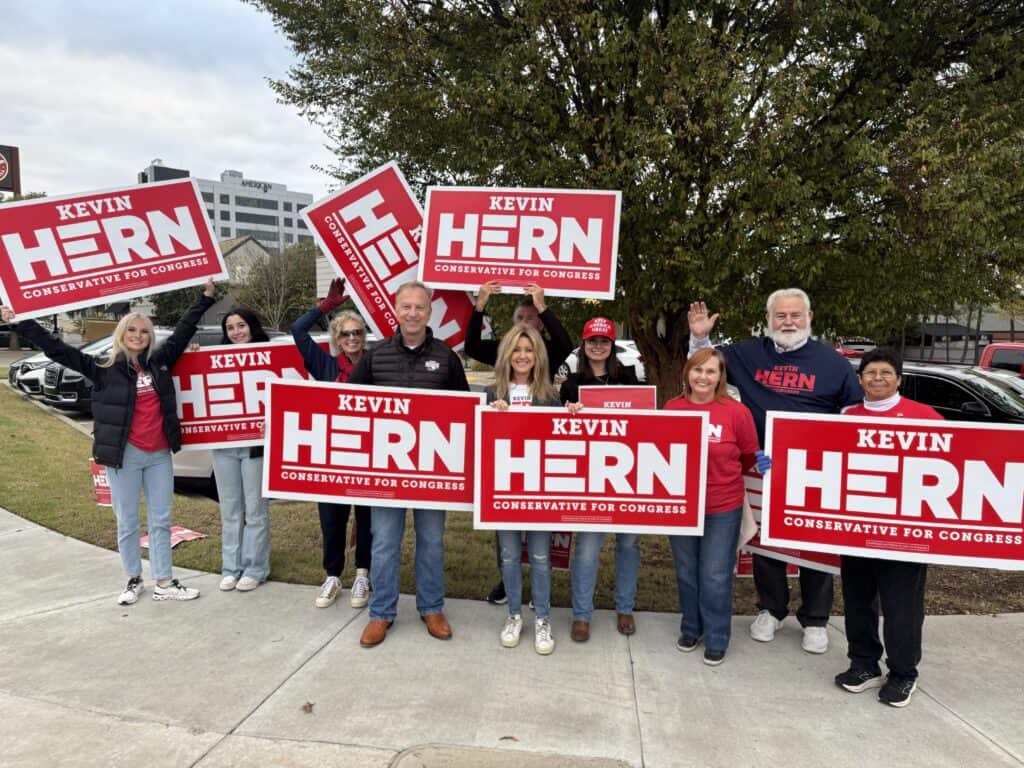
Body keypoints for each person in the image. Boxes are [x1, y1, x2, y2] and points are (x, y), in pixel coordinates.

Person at [1, 280, 217, 604]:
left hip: (159, 455)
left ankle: (164, 582)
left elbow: (184, 330)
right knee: (127, 521)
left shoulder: (159, 362)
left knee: (161, 520)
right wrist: (19, 322)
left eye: (144, 331)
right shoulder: (102, 369)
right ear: (121, 334)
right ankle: (133, 579)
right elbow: (56, 348)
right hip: (123, 456)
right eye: (132, 330)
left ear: (150, 337)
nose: (138, 336)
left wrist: (205, 297)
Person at [688, 288, 862, 653]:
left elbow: (853, 412)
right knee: (766, 543)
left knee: (814, 542)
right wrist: (700, 337)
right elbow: (704, 367)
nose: (788, 322)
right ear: (769, 320)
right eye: (780, 315)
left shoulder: (833, 363)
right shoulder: (748, 353)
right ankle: (772, 608)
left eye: (795, 315)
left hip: (815, 468)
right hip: (763, 465)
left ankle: (815, 618)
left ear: (809, 318)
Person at [348, 281, 470, 648]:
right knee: (384, 542)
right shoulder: (376, 356)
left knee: (431, 541)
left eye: (419, 307)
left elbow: (465, 412)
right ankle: (381, 612)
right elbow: (345, 403)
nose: (413, 313)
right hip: (387, 471)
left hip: (433, 471)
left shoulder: (447, 357)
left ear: (429, 312)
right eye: (406, 307)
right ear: (396, 310)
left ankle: (431, 608)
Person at [834, 348, 941, 708]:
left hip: (904, 531)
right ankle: (864, 663)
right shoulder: (847, 415)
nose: (877, 378)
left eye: (885, 373)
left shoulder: (924, 416)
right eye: (870, 373)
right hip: (857, 527)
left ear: (899, 379)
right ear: (860, 379)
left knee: (902, 607)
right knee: (858, 601)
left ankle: (903, 672)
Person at [466, 281, 574, 606]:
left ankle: (540, 599)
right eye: (520, 318)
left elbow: (566, 343)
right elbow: (472, 345)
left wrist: (542, 304)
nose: (525, 324)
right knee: (507, 544)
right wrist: (480, 304)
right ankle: (509, 585)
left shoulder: (549, 360)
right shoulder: (499, 374)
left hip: (539, 465)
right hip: (505, 469)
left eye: (532, 318)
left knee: (540, 546)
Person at [664, 348, 770, 665]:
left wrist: (766, 462)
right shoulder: (672, 408)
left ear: (720, 377)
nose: (703, 377)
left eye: (711, 371)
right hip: (681, 506)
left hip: (723, 505)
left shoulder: (736, 412)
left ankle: (717, 636)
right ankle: (691, 628)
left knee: (715, 574)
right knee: (686, 572)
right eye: (698, 370)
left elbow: (750, 456)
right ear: (687, 373)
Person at [291, 278, 373, 609]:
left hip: (369, 453)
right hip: (333, 453)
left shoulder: (376, 363)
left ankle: (363, 574)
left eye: (357, 333)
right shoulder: (324, 364)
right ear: (336, 339)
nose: (352, 338)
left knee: (367, 518)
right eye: (345, 334)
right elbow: (298, 330)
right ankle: (333, 575)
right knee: (331, 517)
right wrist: (325, 307)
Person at [561, 317, 642, 642]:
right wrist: (569, 413)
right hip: (590, 477)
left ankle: (625, 608)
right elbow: (561, 430)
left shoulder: (630, 377)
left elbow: (644, 421)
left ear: (612, 345)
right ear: (584, 345)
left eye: (604, 341)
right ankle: (582, 615)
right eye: (592, 341)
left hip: (628, 476)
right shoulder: (572, 383)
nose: (598, 346)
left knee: (629, 544)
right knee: (587, 548)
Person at [485, 324, 563, 654]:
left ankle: (542, 619)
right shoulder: (491, 393)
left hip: (539, 488)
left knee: (541, 557)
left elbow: (561, 439)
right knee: (509, 555)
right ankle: (514, 615)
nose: (522, 355)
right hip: (504, 487)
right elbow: (481, 439)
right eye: (516, 349)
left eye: (529, 350)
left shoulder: (550, 396)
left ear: (538, 356)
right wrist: (492, 415)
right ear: (507, 354)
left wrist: (573, 415)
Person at [214, 308, 272, 593]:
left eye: (241, 325)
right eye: (231, 328)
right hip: (223, 446)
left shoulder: (270, 356)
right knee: (230, 510)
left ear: (252, 326)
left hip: (255, 447)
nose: (236, 332)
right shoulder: (215, 359)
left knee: (256, 509)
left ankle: (255, 568)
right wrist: (195, 357)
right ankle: (231, 568)